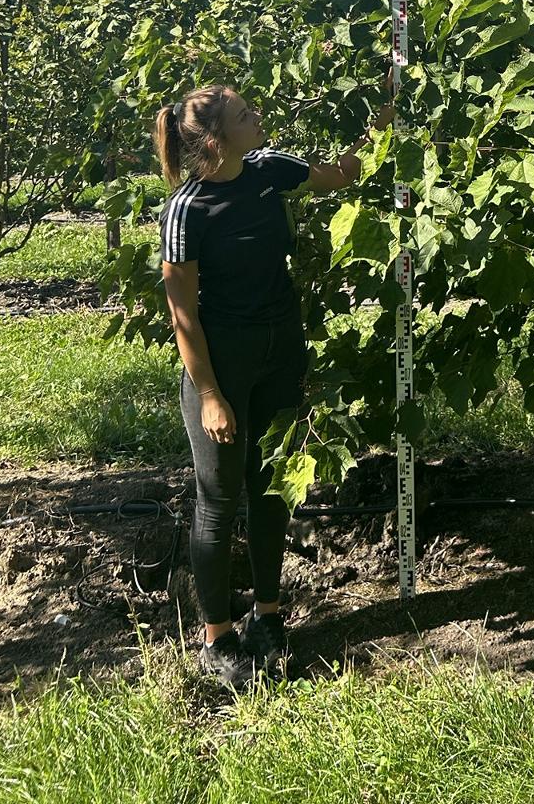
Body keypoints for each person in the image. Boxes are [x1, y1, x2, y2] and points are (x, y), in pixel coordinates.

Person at [154, 82, 390, 689]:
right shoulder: (187, 210)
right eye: (244, 114)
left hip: (281, 354)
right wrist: (209, 393)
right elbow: (183, 313)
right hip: (222, 365)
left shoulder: (268, 171)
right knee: (218, 498)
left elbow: (341, 174)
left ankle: (268, 615)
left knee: (270, 489)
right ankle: (217, 637)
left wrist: (385, 116)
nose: (258, 117)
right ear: (215, 139)